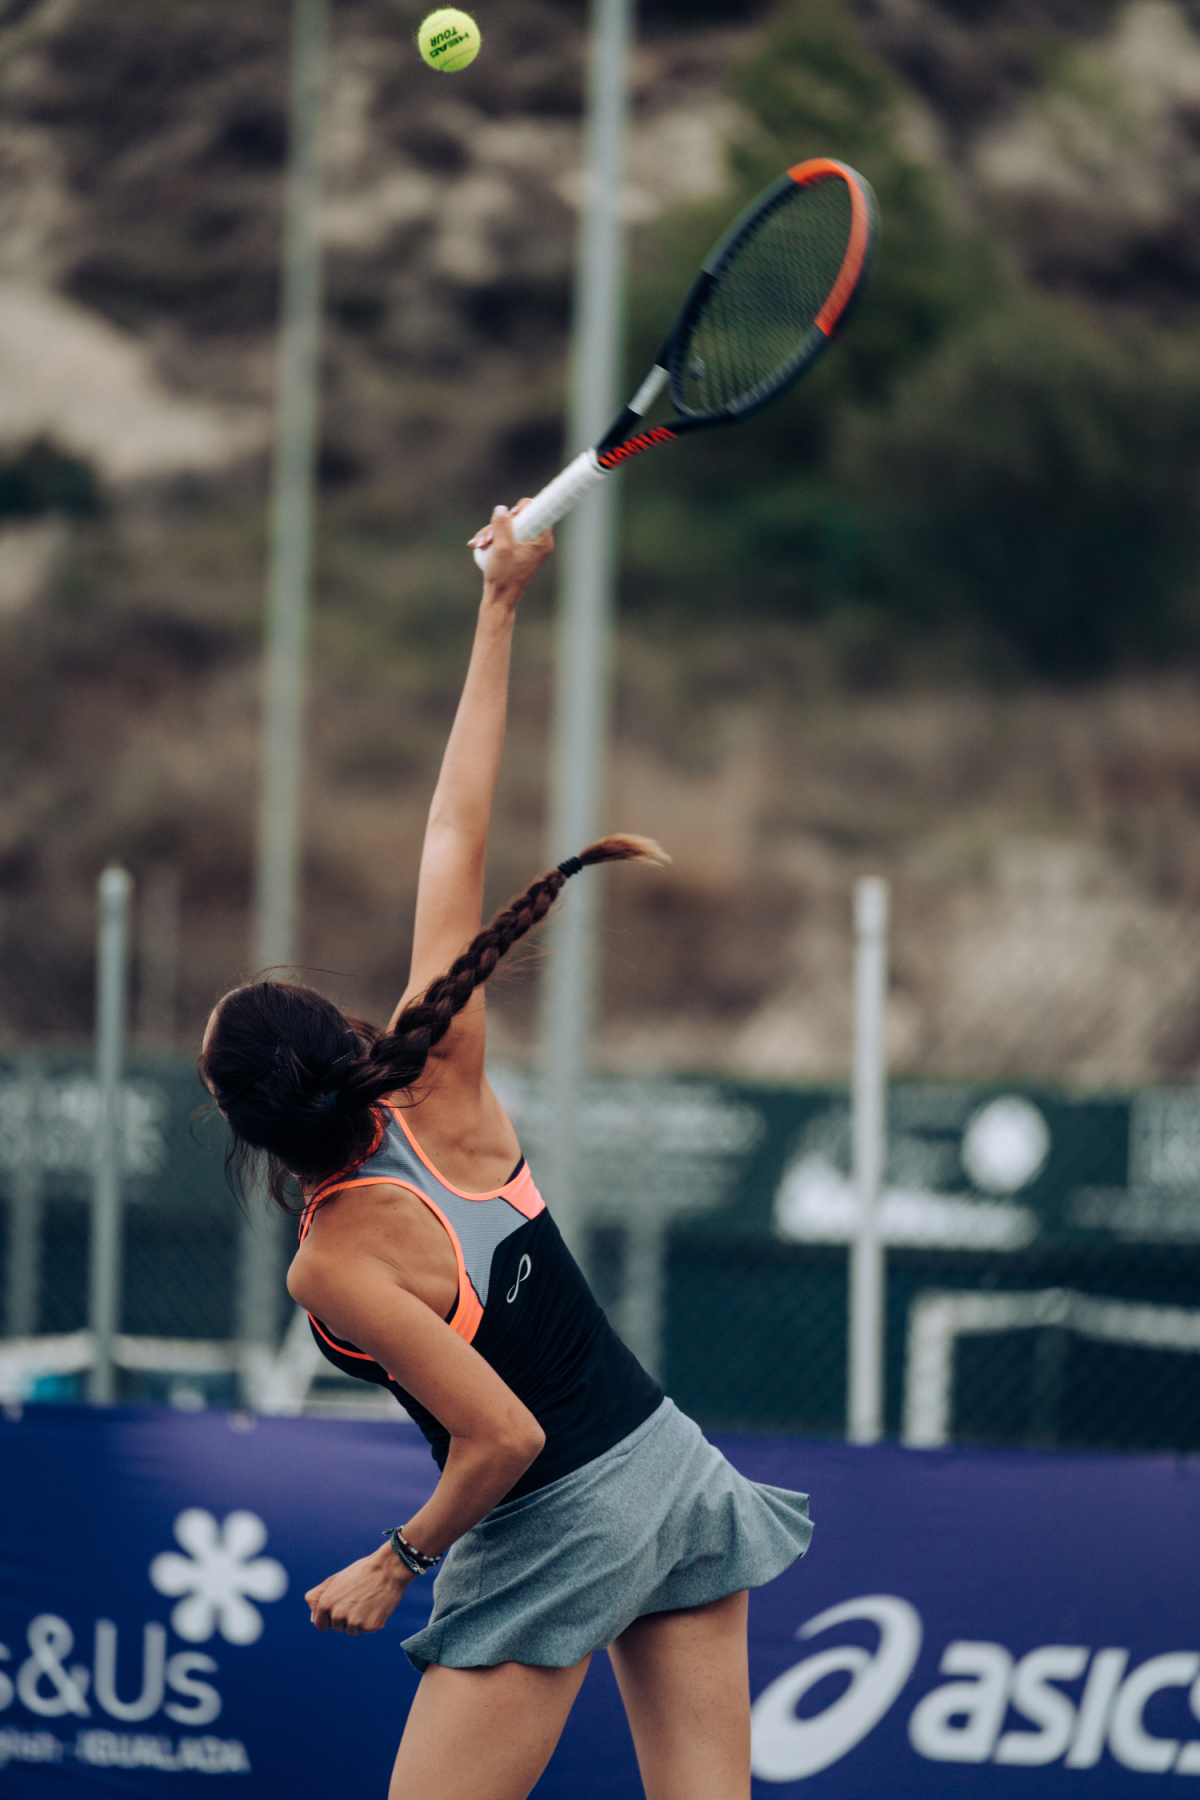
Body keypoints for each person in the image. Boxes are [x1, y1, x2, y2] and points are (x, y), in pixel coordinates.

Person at [199, 502, 812, 1800]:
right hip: (669, 1467)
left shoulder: (333, 1262)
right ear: (340, 1035)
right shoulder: (441, 1073)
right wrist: (499, 604)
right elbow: (452, 838)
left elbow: (502, 1439)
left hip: (555, 1521)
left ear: (247, 1130)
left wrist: (396, 1562)